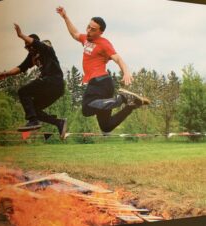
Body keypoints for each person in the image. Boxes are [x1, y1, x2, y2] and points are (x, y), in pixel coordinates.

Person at [56, 7, 150, 135]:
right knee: (106, 126)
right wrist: (65, 17)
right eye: (88, 27)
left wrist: (126, 72)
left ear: (101, 32)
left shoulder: (104, 43)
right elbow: (74, 33)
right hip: (104, 85)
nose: (88, 31)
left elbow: (117, 58)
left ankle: (122, 98)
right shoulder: (86, 39)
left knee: (86, 108)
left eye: (93, 29)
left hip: (100, 82)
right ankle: (131, 105)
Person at [0, 23, 67, 139]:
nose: (28, 50)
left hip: (53, 81)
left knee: (23, 91)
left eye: (28, 46)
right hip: (55, 90)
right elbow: (21, 67)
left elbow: (38, 44)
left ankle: (33, 121)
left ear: (33, 44)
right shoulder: (32, 56)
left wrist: (21, 35)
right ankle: (59, 123)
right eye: (26, 48)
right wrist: (6, 74)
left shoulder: (45, 47)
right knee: (34, 109)